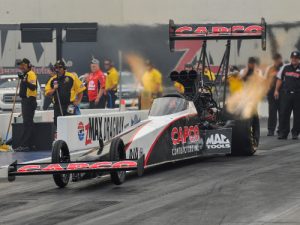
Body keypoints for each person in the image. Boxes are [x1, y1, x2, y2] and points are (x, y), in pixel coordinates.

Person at [45, 60, 86, 127]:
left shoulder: (71, 77)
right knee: (58, 125)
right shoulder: (53, 79)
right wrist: (54, 89)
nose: (58, 69)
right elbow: (47, 93)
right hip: (57, 106)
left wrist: (78, 101)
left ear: (64, 68)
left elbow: (81, 89)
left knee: (70, 124)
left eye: (60, 67)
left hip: (70, 105)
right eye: (56, 68)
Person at [275, 51, 300, 140]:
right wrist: (276, 90)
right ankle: (283, 133)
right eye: (293, 58)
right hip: (286, 94)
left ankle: (295, 133)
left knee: (298, 115)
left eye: (296, 58)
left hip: (298, 95)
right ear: (290, 58)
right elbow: (279, 79)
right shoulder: (285, 67)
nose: (294, 59)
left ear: (299, 59)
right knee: (284, 114)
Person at [14, 58, 38, 151]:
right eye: (20, 65)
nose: (21, 67)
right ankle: (31, 144)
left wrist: (24, 80)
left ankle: (25, 145)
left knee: (27, 123)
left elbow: (33, 87)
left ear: (28, 65)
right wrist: (23, 78)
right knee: (28, 123)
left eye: (23, 65)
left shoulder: (31, 74)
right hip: (26, 101)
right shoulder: (25, 74)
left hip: (29, 100)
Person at [265, 53, 283, 136]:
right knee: (272, 111)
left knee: (282, 111)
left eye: (278, 59)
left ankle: (281, 129)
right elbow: (266, 80)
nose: (277, 61)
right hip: (271, 92)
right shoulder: (270, 68)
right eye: (275, 60)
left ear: (280, 59)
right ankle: (271, 130)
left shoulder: (285, 67)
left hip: (282, 91)